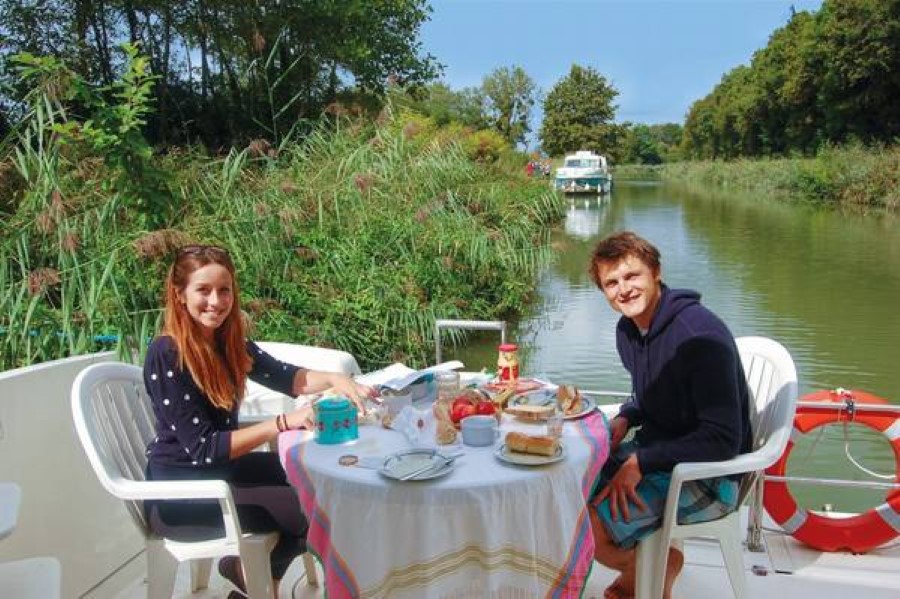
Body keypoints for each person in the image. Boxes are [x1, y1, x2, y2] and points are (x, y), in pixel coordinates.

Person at [143, 244, 375, 597]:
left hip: (222, 473)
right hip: (183, 496)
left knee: (321, 484)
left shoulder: (228, 342)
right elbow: (205, 448)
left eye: (224, 290)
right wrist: (282, 422)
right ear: (179, 294)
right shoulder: (167, 353)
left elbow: (288, 378)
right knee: (312, 512)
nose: (216, 301)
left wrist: (335, 378)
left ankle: (252, 581)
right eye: (203, 290)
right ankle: (256, 583)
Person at [586, 231, 751, 599]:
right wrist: (627, 417)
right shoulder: (628, 331)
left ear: (656, 272)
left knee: (590, 529)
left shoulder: (699, 337)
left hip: (710, 474)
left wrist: (641, 462)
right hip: (658, 452)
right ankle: (651, 572)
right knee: (566, 492)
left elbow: (723, 438)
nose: (623, 290)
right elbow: (651, 392)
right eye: (611, 282)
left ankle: (651, 573)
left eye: (632, 276)